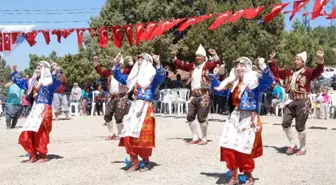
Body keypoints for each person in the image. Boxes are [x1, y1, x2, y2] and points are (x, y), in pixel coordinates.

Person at [212, 57, 273, 185]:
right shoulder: (232, 83)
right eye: (237, 65)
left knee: (244, 147)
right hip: (234, 116)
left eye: (242, 65)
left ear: (248, 68)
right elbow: (217, 91)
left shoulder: (255, 82)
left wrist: (263, 67)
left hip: (248, 117)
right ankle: (233, 176)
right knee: (228, 145)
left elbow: (268, 80)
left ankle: (248, 175)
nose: (239, 68)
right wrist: (214, 76)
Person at [112, 53, 166, 172]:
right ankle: (134, 162)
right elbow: (118, 76)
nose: (139, 62)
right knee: (128, 134)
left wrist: (158, 64)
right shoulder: (133, 79)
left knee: (142, 136)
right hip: (135, 107)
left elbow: (162, 76)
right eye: (138, 60)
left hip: (146, 107)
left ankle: (146, 163)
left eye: (143, 60)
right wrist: (116, 65)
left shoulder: (153, 79)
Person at [268, 50, 324, 155]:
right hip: (291, 100)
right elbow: (276, 72)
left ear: (303, 62)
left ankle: (303, 148)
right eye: (295, 59)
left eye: (298, 60)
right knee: (285, 122)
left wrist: (320, 59)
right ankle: (292, 144)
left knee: (300, 126)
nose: (296, 61)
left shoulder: (308, 72)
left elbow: (318, 71)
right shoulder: (289, 72)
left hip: (303, 101)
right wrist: (272, 61)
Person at [10, 62, 61, 163]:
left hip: (44, 108)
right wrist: (14, 72)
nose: (37, 70)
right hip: (35, 109)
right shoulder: (33, 82)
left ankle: (42, 155)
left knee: (40, 133)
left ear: (45, 70)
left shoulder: (49, 82)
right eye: (36, 68)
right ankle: (32, 154)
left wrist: (56, 69)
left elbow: (57, 80)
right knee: (28, 131)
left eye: (39, 68)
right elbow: (22, 82)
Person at [171, 44, 221, 145]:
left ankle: (204, 138)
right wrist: (174, 58)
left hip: (204, 95)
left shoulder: (208, 65)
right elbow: (182, 65)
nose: (198, 58)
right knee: (190, 116)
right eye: (196, 56)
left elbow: (217, 63)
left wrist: (215, 54)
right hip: (193, 94)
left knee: (202, 117)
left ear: (204, 57)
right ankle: (195, 137)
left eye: (200, 56)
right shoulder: (192, 66)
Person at [93, 54, 130, 140]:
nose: (119, 64)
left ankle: (120, 134)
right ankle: (111, 133)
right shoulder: (110, 72)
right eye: (117, 62)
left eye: (120, 62)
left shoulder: (126, 72)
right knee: (107, 115)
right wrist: (96, 63)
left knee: (119, 116)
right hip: (111, 97)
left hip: (122, 97)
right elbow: (100, 72)